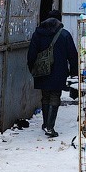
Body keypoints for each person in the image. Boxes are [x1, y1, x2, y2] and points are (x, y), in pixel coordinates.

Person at [27, 9, 78, 138]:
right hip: (58, 71)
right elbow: (73, 55)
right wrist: (73, 72)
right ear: (59, 20)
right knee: (55, 96)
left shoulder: (37, 34)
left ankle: (45, 124)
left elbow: (31, 54)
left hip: (41, 70)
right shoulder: (64, 34)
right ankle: (50, 127)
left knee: (45, 95)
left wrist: (32, 68)